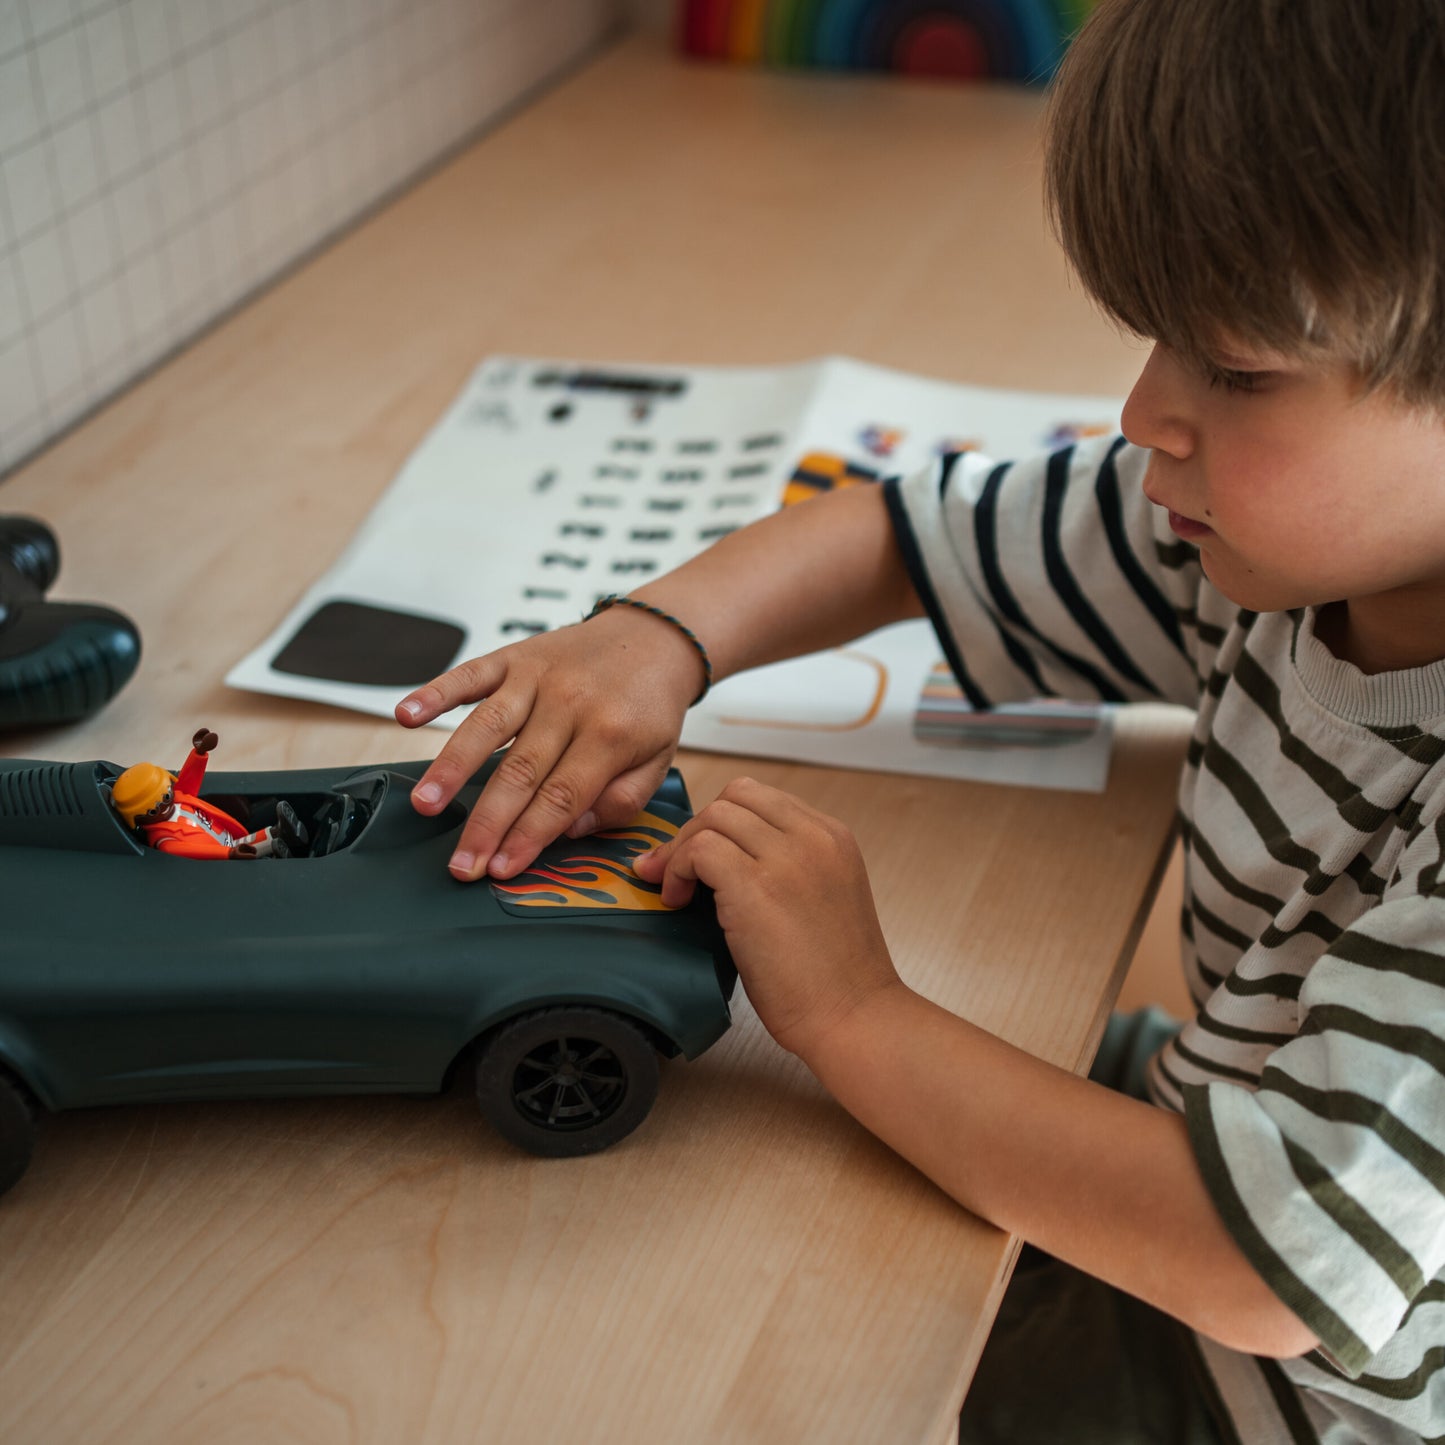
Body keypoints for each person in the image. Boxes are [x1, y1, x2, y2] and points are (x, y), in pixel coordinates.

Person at [395, 2, 1445, 1439]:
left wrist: (856, 1011)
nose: (1143, 414)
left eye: (1240, 370)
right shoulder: (1278, 549)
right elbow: (910, 538)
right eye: (1155, 343)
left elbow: (1269, 1268)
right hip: (1218, 1129)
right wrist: (658, 636)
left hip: (1293, 1391)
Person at [113, 728, 308, 860]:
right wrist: (228, 854)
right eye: (153, 810)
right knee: (254, 852)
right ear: (138, 819)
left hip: (226, 837)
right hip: (222, 853)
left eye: (165, 797)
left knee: (254, 839)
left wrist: (199, 754)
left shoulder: (178, 799)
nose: (164, 806)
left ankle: (279, 831)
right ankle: (276, 851)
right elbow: (194, 851)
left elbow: (188, 782)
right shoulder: (166, 840)